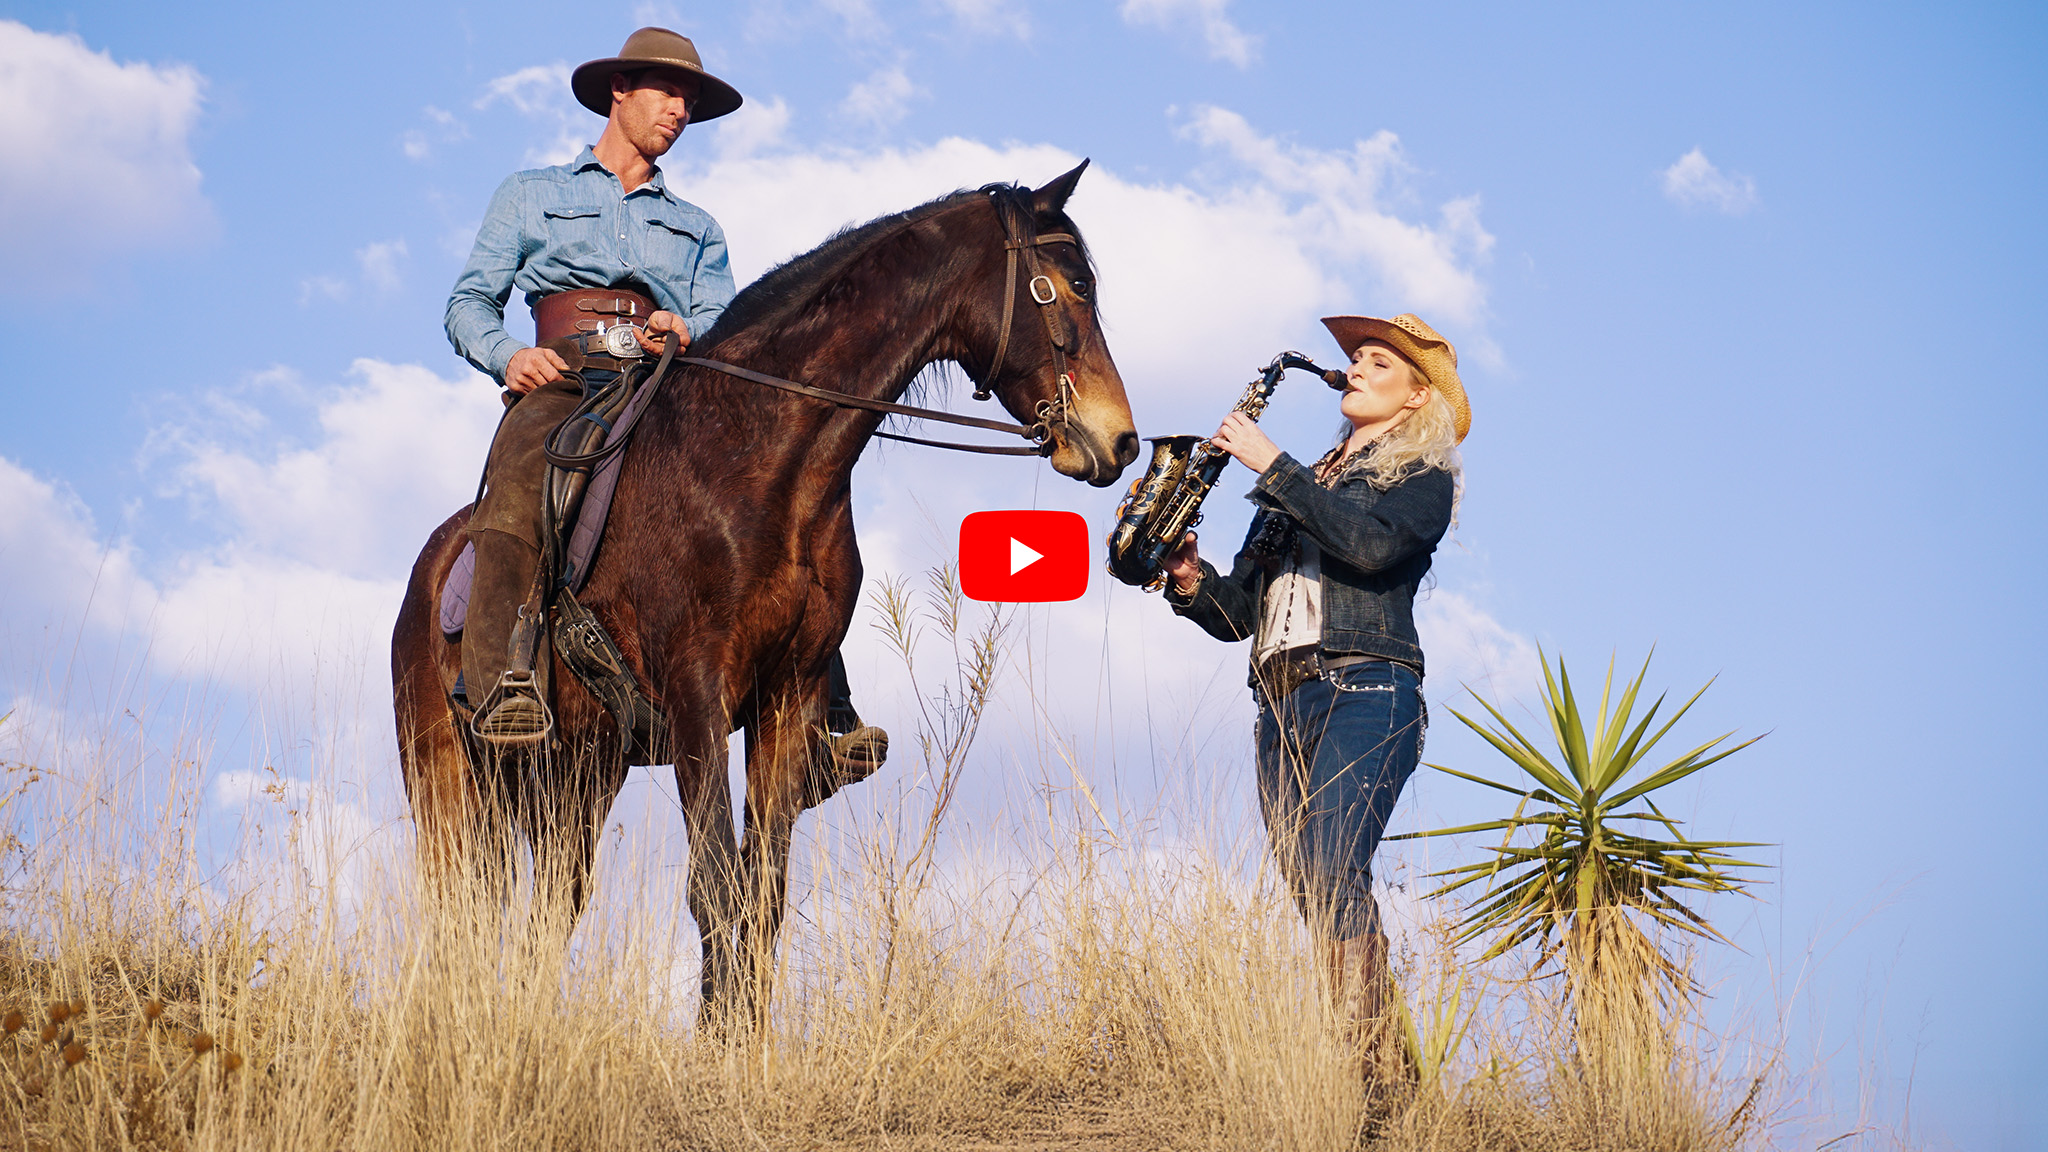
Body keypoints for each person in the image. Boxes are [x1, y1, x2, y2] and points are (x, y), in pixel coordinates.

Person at [445, 28, 887, 779]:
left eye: (690, 101)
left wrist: (688, 327)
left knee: (775, 492)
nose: (680, 111)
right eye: (668, 92)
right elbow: (467, 303)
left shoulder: (698, 228)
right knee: (522, 485)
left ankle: (825, 717)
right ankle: (501, 683)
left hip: (662, 383)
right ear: (619, 90)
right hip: (561, 378)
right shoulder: (531, 193)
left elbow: (728, 326)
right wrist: (509, 356)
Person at [1161, 313, 1469, 1076]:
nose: (1357, 368)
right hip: (1279, 705)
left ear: (1414, 399)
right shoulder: (1293, 487)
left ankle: (1375, 1082)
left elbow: (1370, 547)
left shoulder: (1420, 479)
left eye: (1378, 363)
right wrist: (1191, 578)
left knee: (1332, 868)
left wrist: (1275, 466)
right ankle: (1387, 1080)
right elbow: (1240, 616)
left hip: (1365, 689)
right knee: (1316, 888)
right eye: (1357, 358)